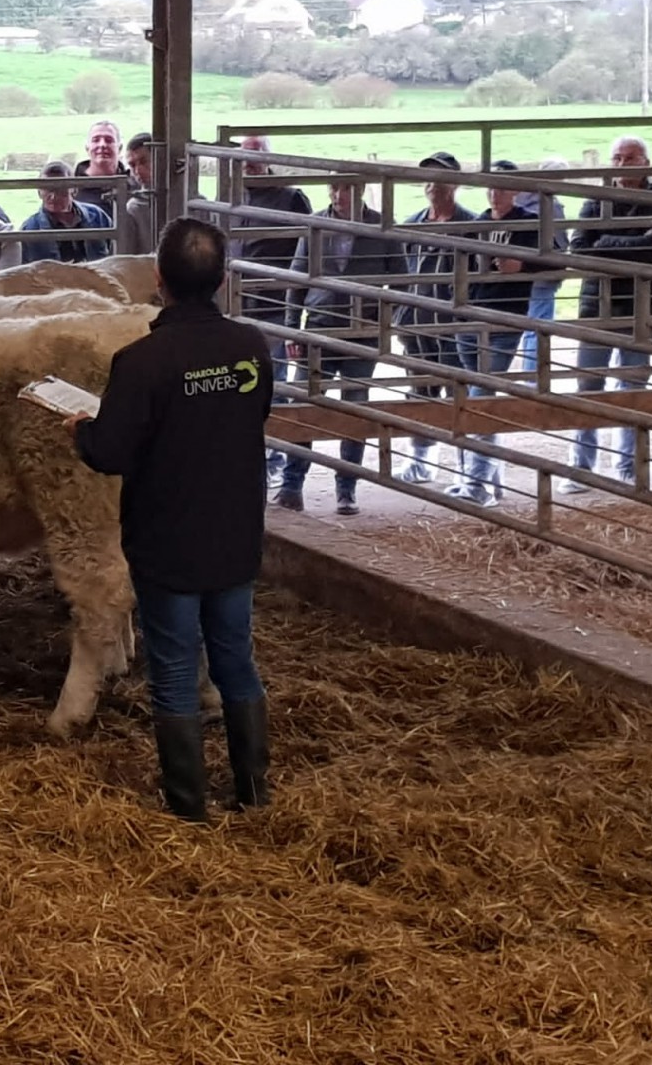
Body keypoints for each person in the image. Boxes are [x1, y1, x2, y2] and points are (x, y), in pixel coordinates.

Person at [69, 217, 273, 822]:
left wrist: (82, 429)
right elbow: (253, 413)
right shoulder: (251, 346)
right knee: (235, 654)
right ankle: (254, 793)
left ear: (158, 280)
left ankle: (188, 804)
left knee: (177, 666)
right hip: (234, 532)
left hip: (168, 539)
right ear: (222, 277)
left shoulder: (142, 361)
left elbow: (110, 453)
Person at [274, 181, 404, 516]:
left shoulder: (381, 228)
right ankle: (292, 485)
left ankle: (347, 489)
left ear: (359, 191)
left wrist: (385, 321)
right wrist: (292, 329)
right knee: (303, 401)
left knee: (355, 407)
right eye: (333, 189)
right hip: (319, 327)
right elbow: (297, 278)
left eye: (345, 189)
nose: (337, 196)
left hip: (363, 332)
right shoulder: (315, 226)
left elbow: (403, 280)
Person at [563, 136, 652, 491]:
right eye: (616, 158)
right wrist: (629, 247)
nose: (622, 165)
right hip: (598, 307)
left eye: (629, 158)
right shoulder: (596, 201)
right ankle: (582, 466)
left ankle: (629, 468)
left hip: (641, 308)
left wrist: (607, 244)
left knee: (634, 385)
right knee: (589, 383)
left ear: (645, 163)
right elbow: (579, 250)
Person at [449, 160, 551, 508]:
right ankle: (487, 480)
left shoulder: (527, 223)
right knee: (475, 389)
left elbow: (554, 260)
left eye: (503, 187)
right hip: (472, 312)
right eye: (491, 187)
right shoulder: (478, 223)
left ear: (515, 191)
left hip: (506, 316)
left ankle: (476, 481)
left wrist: (522, 265)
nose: (496, 194)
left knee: (482, 392)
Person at [231, 135, 311, 484]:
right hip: (239, 307)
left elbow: (308, 247)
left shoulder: (291, 197)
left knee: (274, 385)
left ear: (268, 156)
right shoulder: (232, 194)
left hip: (275, 306)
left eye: (256, 154)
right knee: (244, 383)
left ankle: (274, 456)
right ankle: (255, 455)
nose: (249, 161)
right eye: (243, 155)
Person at [395, 152, 475, 486]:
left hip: (452, 324)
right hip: (416, 323)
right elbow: (402, 271)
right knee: (420, 392)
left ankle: (466, 468)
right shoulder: (414, 223)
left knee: (459, 395)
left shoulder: (471, 225)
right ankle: (422, 461)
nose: (432, 185)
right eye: (428, 178)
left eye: (440, 178)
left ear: (455, 183)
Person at [515, 156, 569, 373]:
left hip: (521, 274)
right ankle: (532, 377)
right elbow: (560, 239)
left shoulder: (519, 199)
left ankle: (528, 375)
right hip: (544, 275)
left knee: (528, 326)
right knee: (539, 327)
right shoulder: (550, 205)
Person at [19, 161, 112, 263]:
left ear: (74, 190)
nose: (53, 197)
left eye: (60, 189)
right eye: (47, 189)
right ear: (39, 192)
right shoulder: (29, 229)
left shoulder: (97, 217)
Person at [73, 119, 129, 223]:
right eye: (96, 140)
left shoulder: (132, 183)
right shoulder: (72, 188)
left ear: (120, 148)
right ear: (87, 148)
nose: (102, 145)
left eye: (109, 140)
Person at [119, 132, 156, 256]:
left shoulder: (193, 201)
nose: (138, 171)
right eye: (132, 165)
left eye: (144, 161)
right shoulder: (133, 208)